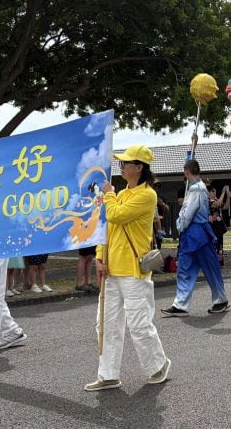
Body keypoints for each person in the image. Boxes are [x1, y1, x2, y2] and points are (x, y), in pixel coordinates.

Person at [85, 144, 170, 391]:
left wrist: (108, 193)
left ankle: (158, 365)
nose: (121, 166)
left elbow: (116, 215)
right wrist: (100, 257)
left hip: (134, 270)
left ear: (139, 167)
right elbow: (107, 227)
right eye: (121, 162)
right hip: (112, 269)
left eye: (125, 163)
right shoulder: (120, 194)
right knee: (106, 323)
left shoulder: (147, 195)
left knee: (139, 324)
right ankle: (108, 374)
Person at [161, 159, 229, 317]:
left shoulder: (197, 189)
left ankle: (220, 299)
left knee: (209, 267)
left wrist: (179, 224)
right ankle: (181, 304)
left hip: (196, 232)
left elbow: (187, 213)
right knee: (185, 268)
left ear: (186, 171)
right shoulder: (195, 188)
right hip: (194, 233)